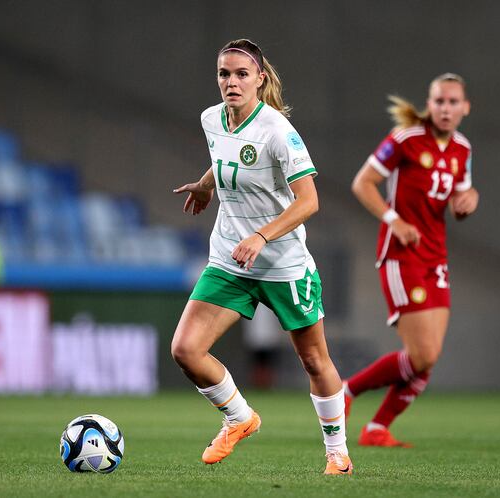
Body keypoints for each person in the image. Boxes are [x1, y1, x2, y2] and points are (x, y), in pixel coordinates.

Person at [171, 39, 353, 475]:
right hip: (230, 257)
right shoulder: (211, 119)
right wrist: (205, 185)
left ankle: (338, 454)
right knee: (185, 350)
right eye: (223, 74)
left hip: (282, 263)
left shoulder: (277, 131)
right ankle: (239, 417)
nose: (231, 82)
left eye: (240, 74)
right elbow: (224, 158)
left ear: (260, 79)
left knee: (314, 360)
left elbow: (308, 201)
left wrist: (261, 235)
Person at [344, 73, 480, 447]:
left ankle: (376, 429)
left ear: (465, 108)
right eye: (439, 101)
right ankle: (346, 392)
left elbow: (458, 201)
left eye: (453, 102)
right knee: (422, 353)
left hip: (436, 256)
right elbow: (362, 183)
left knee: (427, 358)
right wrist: (395, 220)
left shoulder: (462, 150)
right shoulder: (405, 140)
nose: (446, 108)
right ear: (429, 104)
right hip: (400, 254)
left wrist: (468, 203)